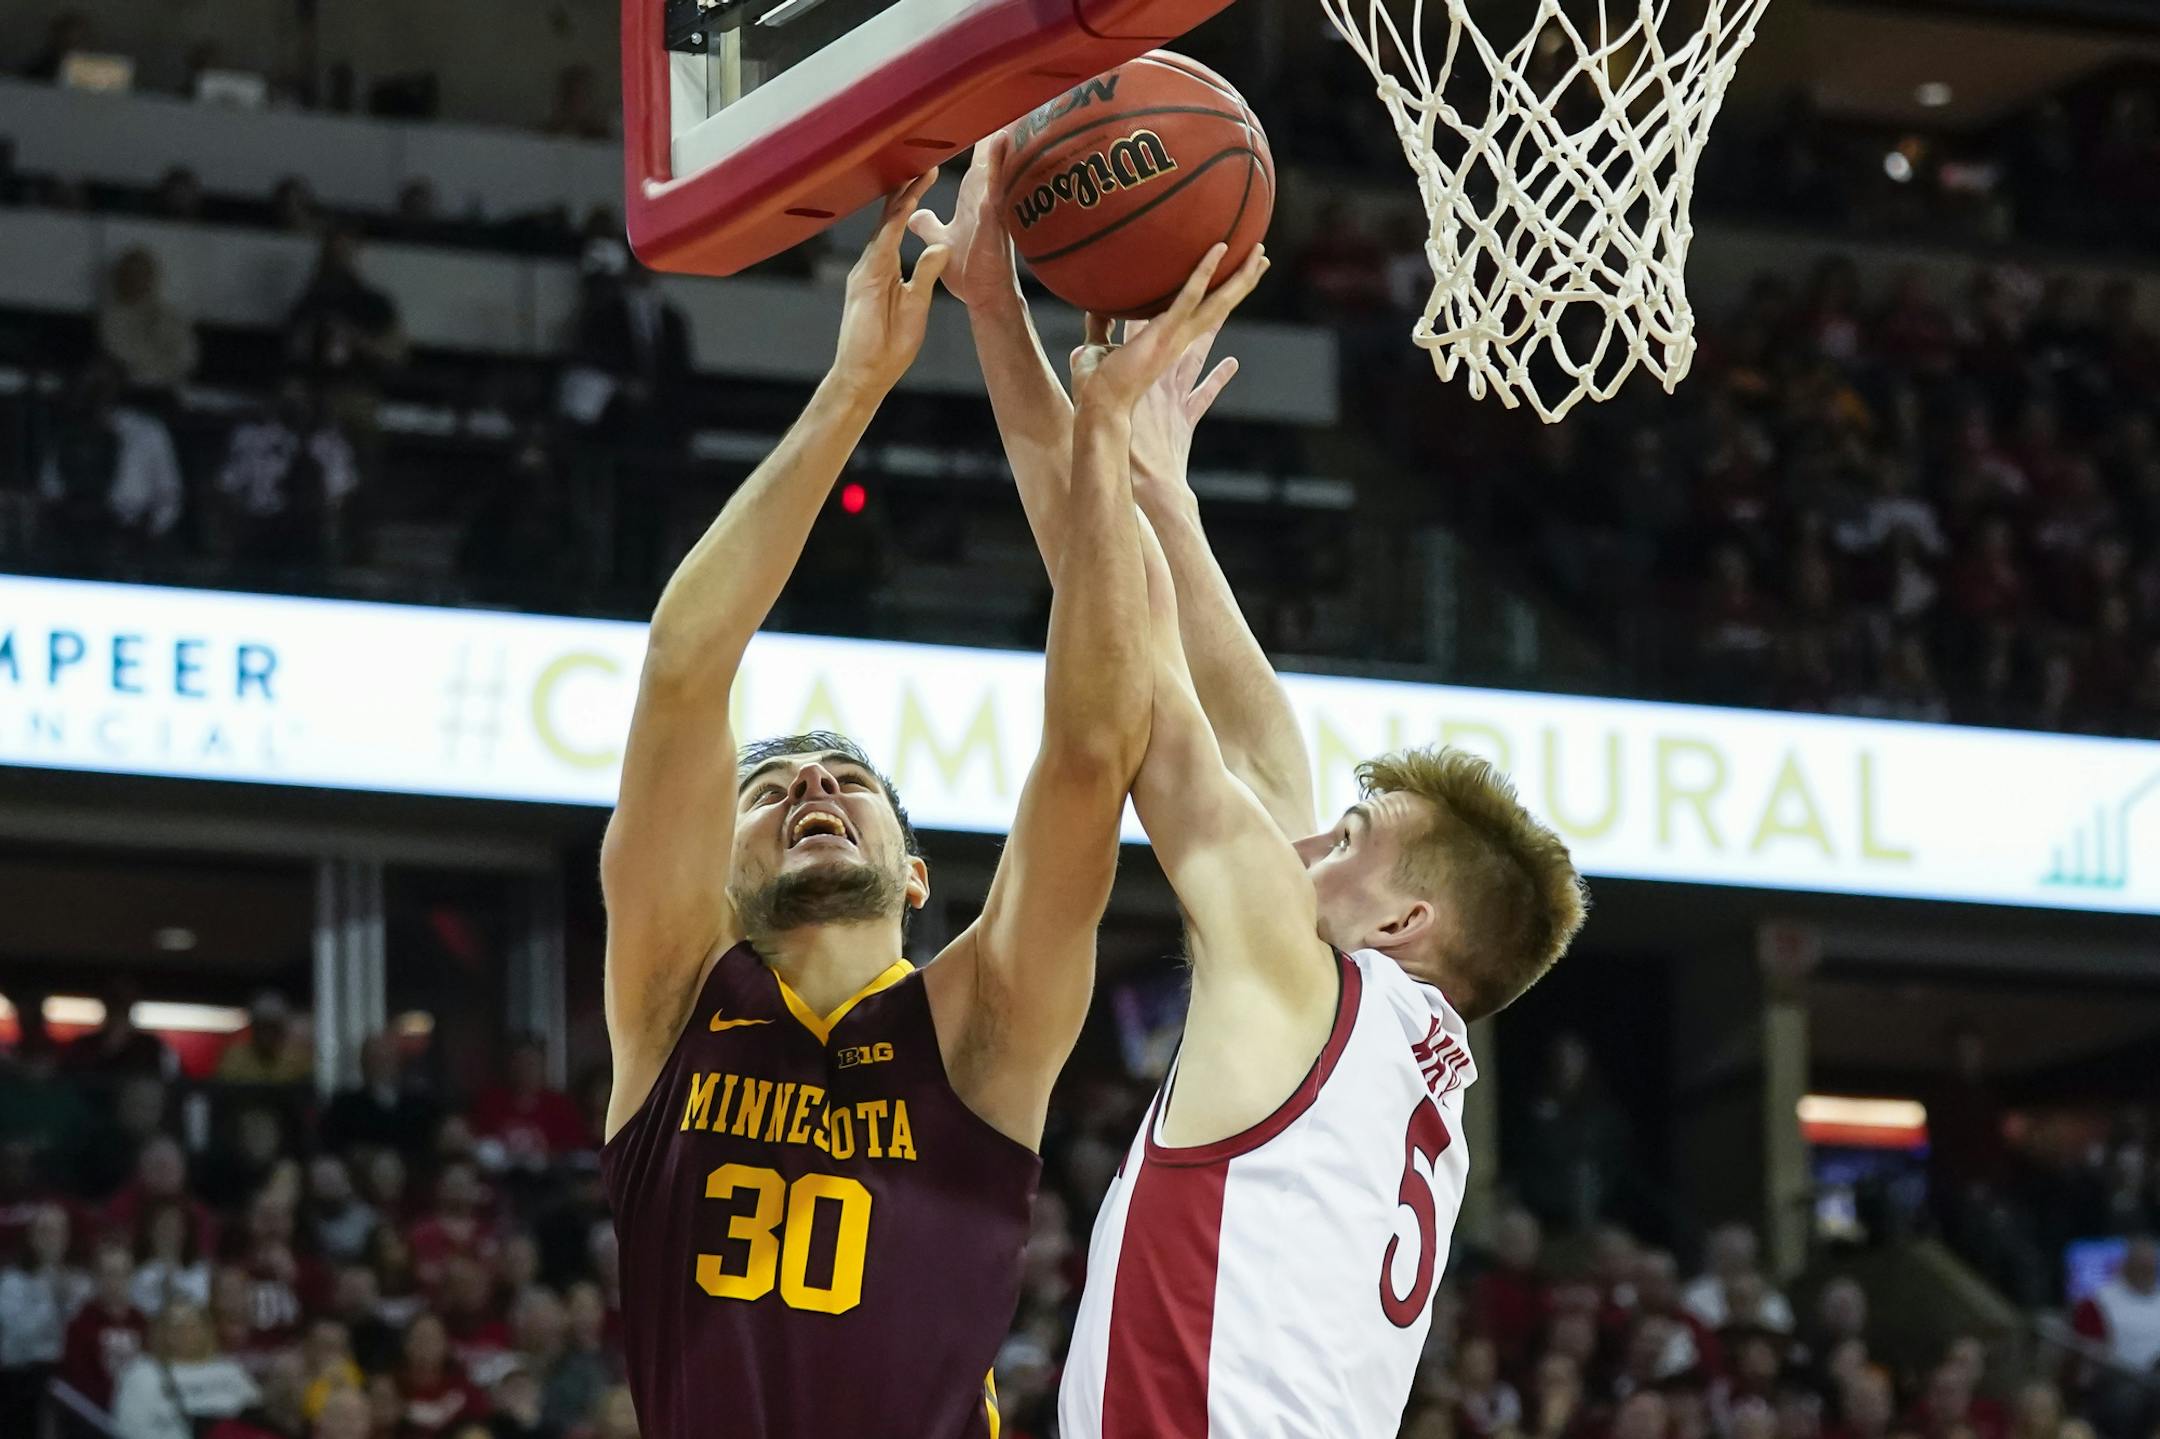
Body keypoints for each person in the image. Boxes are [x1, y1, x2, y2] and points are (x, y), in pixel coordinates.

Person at [913, 136, 1586, 1438]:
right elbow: (1233, 712)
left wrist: (1045, 367)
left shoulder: (1305, 976)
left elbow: (1130, 682)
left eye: (1349, 839)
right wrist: (1163, 496)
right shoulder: (1402, 1059)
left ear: (1402, 924)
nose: (1312, 838)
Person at [595, 172, 1262, 1439]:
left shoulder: (980, 1027)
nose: (812, 785)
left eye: (850, 778)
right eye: (772, 785)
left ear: (914, 875)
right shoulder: (673, 997)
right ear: (717, 876)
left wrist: (1100, 435)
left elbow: (1090, 750)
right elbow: (686, 664)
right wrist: (856, 383)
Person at [110, 1301, 261, 1439]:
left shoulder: (229, 1369)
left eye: (193, 1325)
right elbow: (129, 1429)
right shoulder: (142, 1373)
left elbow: (257, 1415)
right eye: (176, 1326)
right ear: (161, 1332)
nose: (186, 1332)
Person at [98, 246, 200, 394]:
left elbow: (186, 356)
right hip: (129, 392)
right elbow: (124, 358)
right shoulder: (111, 318)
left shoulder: (168, 315)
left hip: (168, 390)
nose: (137, 280)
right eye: (131, 274)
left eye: (142, 274)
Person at [215, 993, 311, 1086]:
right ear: (254, 1028)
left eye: (273, 1028)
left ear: (282, 1030)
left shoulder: (299, 1059)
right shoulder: (235, 1058)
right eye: (262, 1028)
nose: (267, 1034)